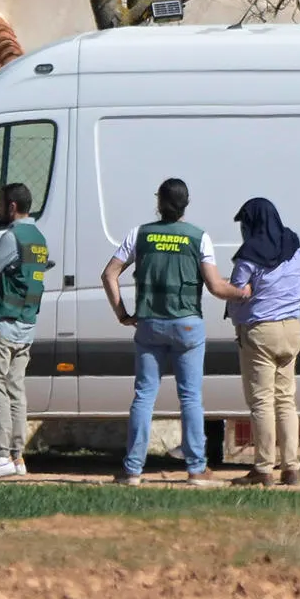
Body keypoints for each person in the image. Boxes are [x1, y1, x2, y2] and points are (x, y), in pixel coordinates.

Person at [102, 178, 231, 486]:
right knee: (190, 398)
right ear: (186, 203)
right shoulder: (199, 237)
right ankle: (197, 469)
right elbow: (215, 286)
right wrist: (242, 293)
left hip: (149, 324)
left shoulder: (139, 234)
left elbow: (109, 274)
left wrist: (122, 314)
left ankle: (132, 470)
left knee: (144, 396)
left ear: (158, 201)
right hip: (188, 325)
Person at [217, 197, 300, 487]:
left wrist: (221, 288)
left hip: (261, 332)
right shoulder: (293, 245)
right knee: (286, 400)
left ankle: (264, 468)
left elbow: (238, 291)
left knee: (261, 402)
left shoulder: (249, 254)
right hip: (292, 330)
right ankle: (291, 467)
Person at [0, 183, 49, 481]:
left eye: (0, 204)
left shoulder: (12, 236)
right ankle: (17, 456)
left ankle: (1, 454)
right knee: (16, 391)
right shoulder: (39, 238)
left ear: (12, 206)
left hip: (2, 323)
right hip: (26, 326)